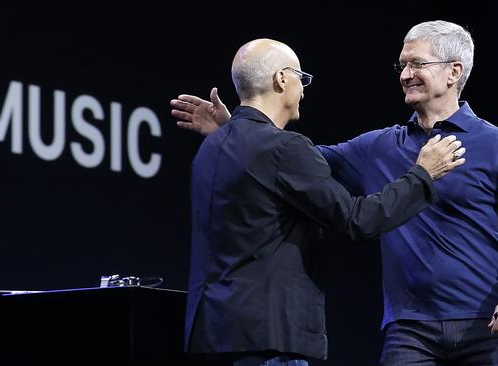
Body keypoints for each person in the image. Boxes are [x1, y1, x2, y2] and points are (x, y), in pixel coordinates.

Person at [172, 21, 498, 365]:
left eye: (417, 64)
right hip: (410, 333)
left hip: (489, 327)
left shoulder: (497, 145)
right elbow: (292, 163)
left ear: (454, 71)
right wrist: (237, 133)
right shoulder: (381, 147)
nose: (405, 74)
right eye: (402, 65)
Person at [182, 38, 465, 366]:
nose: (303, 90)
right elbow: (357, 220)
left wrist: (231, 129)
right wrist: (422, 175)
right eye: (301, 78)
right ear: (281, 79)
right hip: (269, 341)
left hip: (213, 337)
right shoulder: (285, 148)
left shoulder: (212, 148)